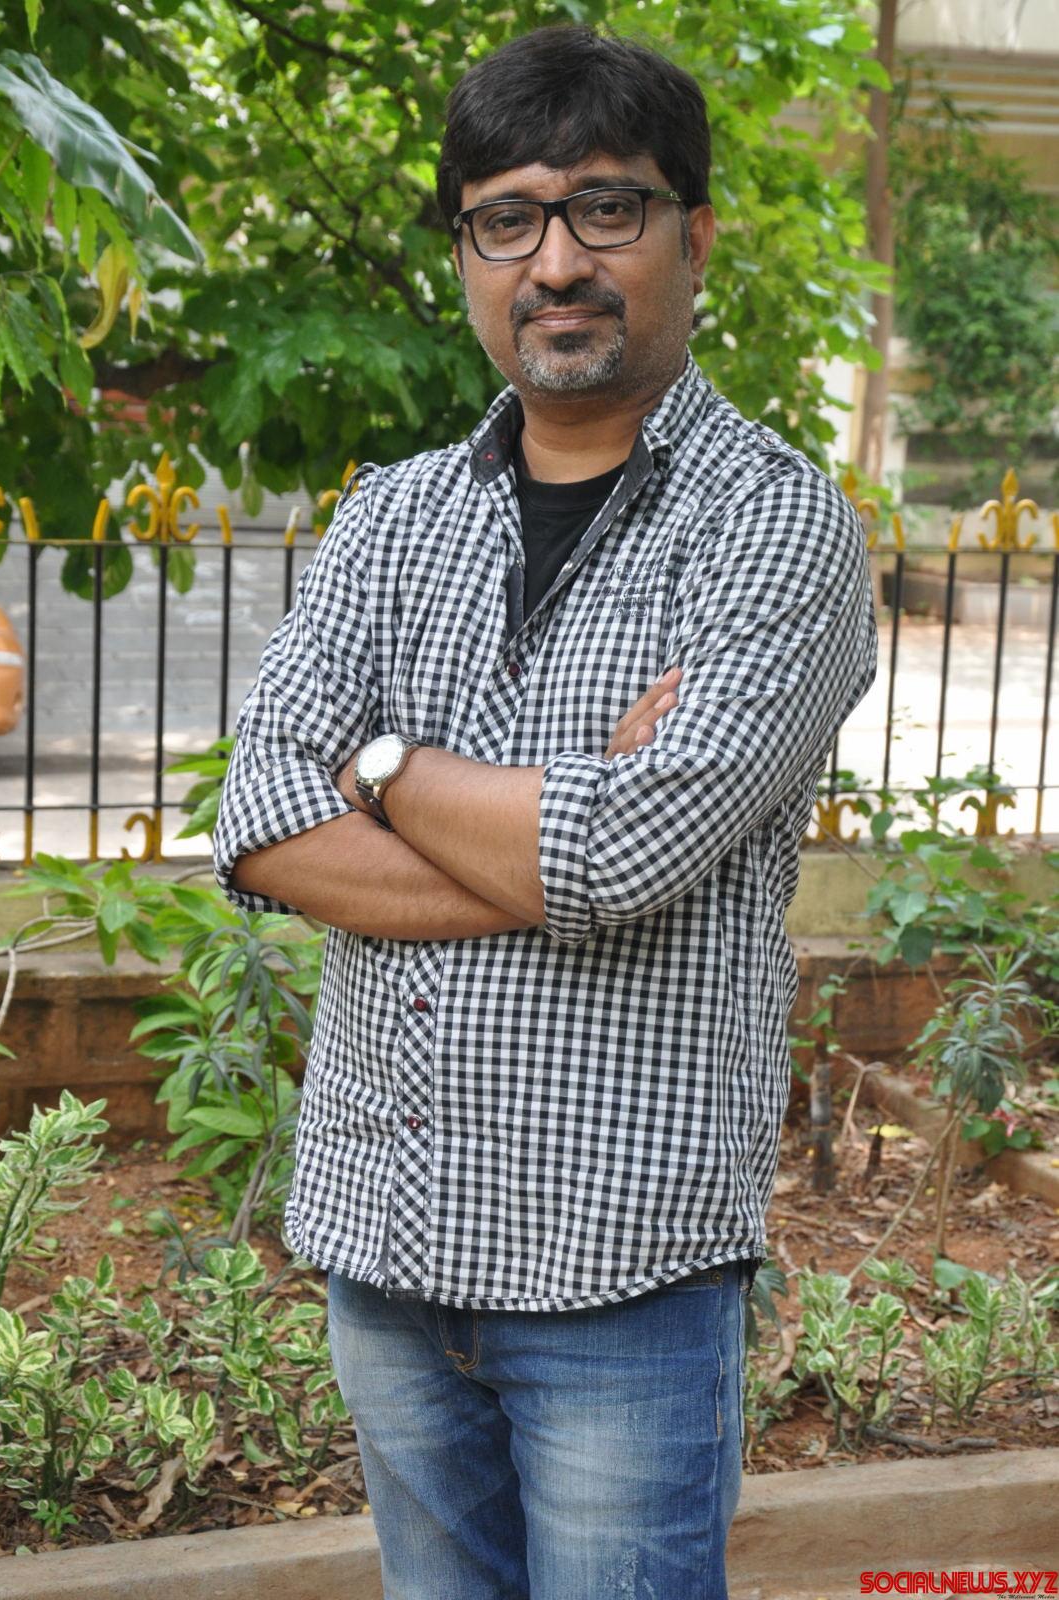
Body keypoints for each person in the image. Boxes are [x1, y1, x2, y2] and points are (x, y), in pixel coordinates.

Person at [214, 23, 877, 1599]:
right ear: (465, 253)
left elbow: (630, 851)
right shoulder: (393, 516)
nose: (555, 263)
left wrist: (377, 771)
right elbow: (261, 822)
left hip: (619, 1273)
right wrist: (564, 838)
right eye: (505, 220)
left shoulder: (776, 530)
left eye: (603, 209)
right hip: (385, 1248)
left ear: (690, 236)